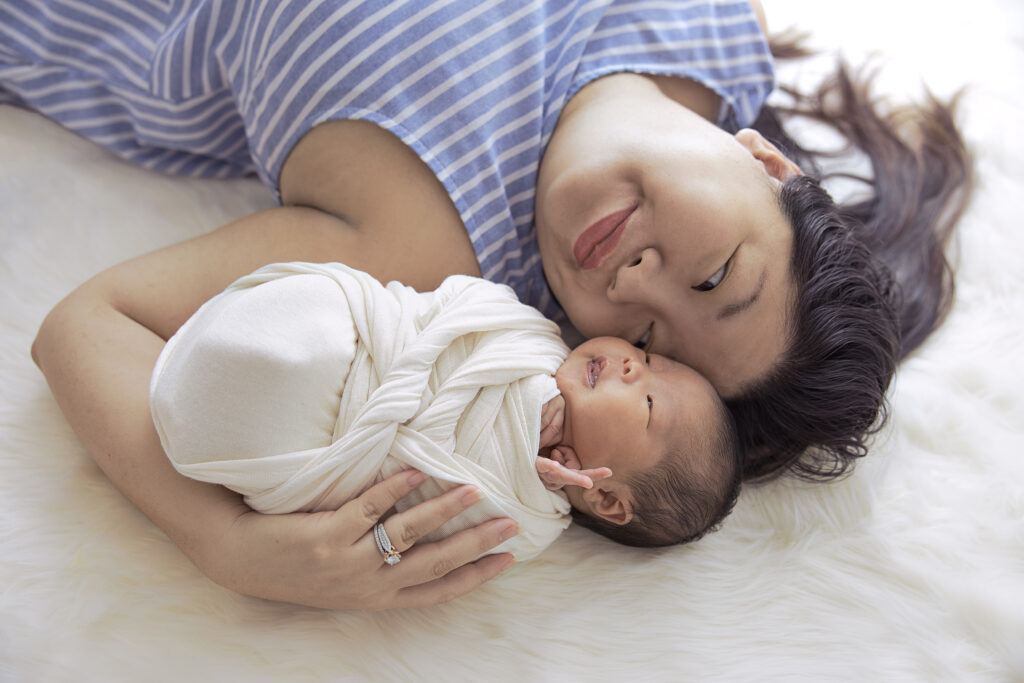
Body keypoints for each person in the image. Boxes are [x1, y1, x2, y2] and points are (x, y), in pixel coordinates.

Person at [17, 0, 972, 608]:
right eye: (715, 276)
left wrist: (225, 544)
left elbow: (86, 327)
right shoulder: (712, 26)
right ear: (767, 160)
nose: (630, 282)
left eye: (641, 338)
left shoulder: (428, 242)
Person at [149, 262, 743, 558]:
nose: (632, 364)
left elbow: (437, 507)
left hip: (332, 433)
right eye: (645, 354)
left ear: (607, 499)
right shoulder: (535, 339)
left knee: (285, 385)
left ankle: (225, 390)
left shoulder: (527, 520)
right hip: (369, 340)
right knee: (316, 334)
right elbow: (462, 305)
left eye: (645, 402)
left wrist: (520, 456)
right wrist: (533, 394)